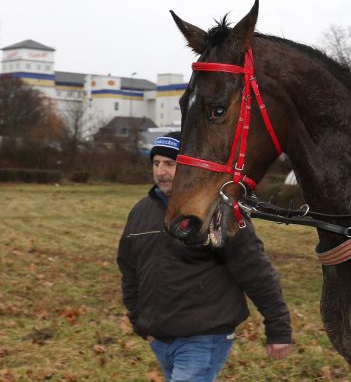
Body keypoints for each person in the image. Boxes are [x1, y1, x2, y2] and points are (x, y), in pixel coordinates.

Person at [117, 132, 292, 382]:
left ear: (190, 165)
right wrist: (139, 321)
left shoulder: (216, 210)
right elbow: (129, 271)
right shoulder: (140, 212)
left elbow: (254, 268)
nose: (161, 171)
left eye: (170, 163)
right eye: (156, 163)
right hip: (160, 340)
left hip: (204, 337)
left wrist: (278, 327)